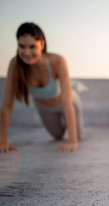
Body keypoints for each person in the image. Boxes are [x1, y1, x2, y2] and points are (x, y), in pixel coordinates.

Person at [0, 22, 83, 153]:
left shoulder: (58, 61)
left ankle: (75, 87)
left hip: (67, 101)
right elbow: (7, 104)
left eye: (32, 47)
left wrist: (72, 141)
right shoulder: (15, 65)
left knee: (77, 137)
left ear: (42, 44)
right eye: (22, 46)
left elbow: (67, 104)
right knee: (57, 136)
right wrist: (2, 141)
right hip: (44, 107)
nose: (27, 52)